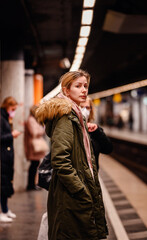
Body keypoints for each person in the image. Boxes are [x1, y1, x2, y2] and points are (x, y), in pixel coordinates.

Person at [36, 70, 108, 240]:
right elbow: (60, 159)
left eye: (85, 86)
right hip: (71, 194)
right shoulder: (65, 117)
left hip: (75, 191)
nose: (84, 90)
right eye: (78, 86)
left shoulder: (76, 115)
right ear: (66, 91)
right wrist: (80, 189)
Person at [0, 96, 21, 223]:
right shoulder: (1, 119)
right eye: (13, 108)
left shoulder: (7, 118)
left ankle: (5, 209)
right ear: (7, 106)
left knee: (7, 183)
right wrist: (11, 135)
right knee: (3, 184)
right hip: (3, 155)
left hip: (7, 156)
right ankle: (2, 210)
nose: (14, 111)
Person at [80, 97, 113, 170]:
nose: (85, 110)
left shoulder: (94, 130)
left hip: (92, 177)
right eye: (82, 107)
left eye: (87, 107)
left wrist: (97, 131)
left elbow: (108, 149)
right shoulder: (69, 128)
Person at [25, 105, 48, 191]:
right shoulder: (31, 120)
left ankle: (33, 184)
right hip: (33, 146)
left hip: (34, 145)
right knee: (33, 166)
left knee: (35, 165)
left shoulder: (34, 120)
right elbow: (34, 132)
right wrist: (42, 129)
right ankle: (30, 185)